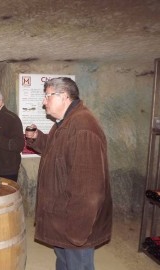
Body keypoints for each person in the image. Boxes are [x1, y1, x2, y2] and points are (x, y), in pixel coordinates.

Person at [25, 77, 112, 270]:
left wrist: (77, 232)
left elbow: (89, 190)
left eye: (47, 96)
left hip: (75, 224)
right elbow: (55, 149)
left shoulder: (83, 128)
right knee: (64, 263)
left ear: (63, 96)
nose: (43, 102)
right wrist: (37, 138)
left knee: (77, 265)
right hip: (62, 218)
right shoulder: (65, 122)